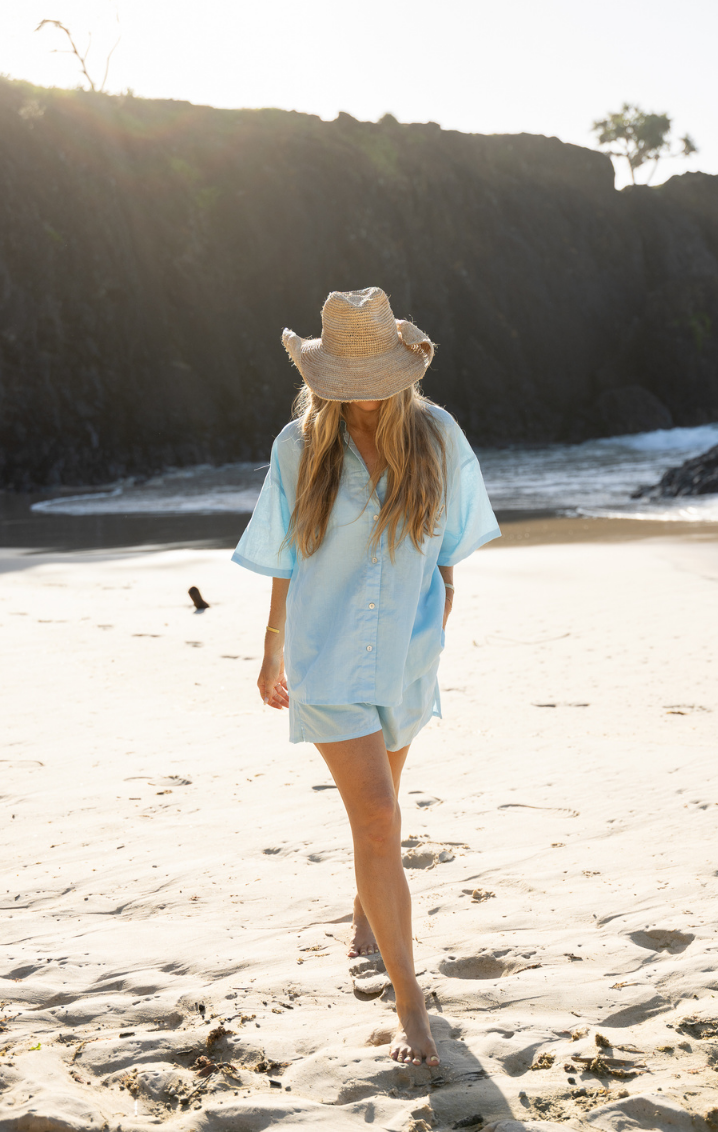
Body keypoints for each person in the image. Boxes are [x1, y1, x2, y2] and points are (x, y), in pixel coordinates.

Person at [232, 287, 500, 1067]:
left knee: (380, 807)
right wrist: (271, 649)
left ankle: (365, 908)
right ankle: (411, 1003)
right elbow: (283, 556)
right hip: (327, 657)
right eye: (348, 387)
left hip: (407, 656)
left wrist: (441, 609)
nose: (363, 400)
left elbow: (450, 544)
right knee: (380, 818)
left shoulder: (437, 436)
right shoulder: (300, 446)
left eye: (375, 383)